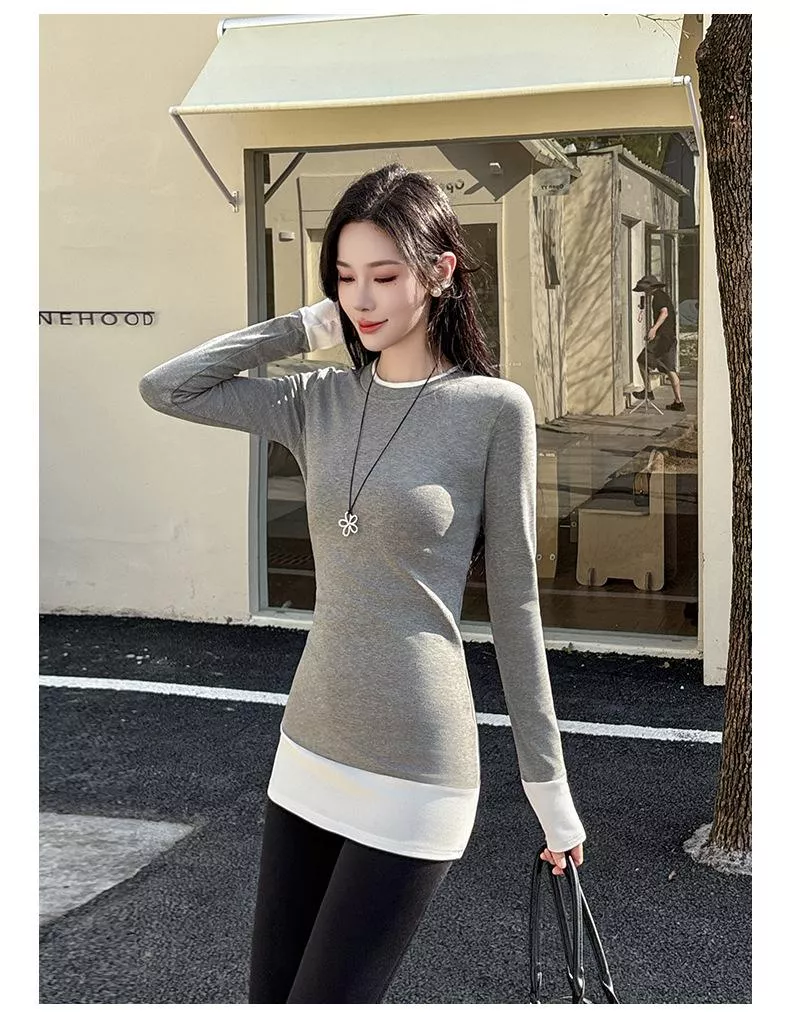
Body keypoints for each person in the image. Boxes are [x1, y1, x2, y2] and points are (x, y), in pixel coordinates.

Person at [138, 163, 587, 1004]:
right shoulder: (317, 399)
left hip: (417, 764)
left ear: (441, 272)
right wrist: (304, 325)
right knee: (269, 1004)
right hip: (308, 746)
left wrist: (549, 789)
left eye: (384, 275)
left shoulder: (494, 409)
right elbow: (166, 388)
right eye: (345, 278)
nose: (362, 299)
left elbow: (517, 607)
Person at [632, 273, 686, 411]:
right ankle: (678, 402)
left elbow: (664, 312)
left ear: (650, 288)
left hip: (662, 338)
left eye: (645, 290)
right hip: (669, 338)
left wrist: (653, 329)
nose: (645, 292)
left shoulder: (658, 297)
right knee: (670, 369)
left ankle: (648, 391)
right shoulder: (663, 296)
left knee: (642, 360)